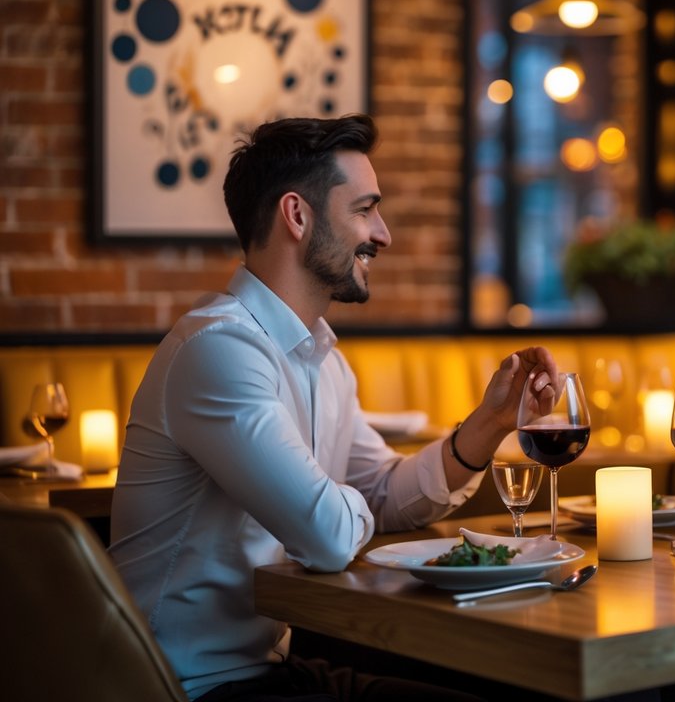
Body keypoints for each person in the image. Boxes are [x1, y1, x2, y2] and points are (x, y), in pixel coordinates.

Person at [109, 114, 558, 702]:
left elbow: (386, 494)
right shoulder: (217, 349)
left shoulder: (321, 356)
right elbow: (327, 536)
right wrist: (330, 502)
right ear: (297, 216)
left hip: (275, 668)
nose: (384, 233)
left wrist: (490, 423)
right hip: (183, 684)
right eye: (365, 209)